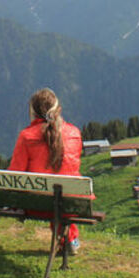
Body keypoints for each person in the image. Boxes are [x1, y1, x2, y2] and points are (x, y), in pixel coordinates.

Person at [8, 88, 83, 254]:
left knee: (50, 197)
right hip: (71, 203)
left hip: (36, 204)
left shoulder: (27, 136)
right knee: (61, 196)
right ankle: (70, 239)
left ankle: (68, 239)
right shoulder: (75, 133)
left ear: (33, 113)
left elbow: (14, 175)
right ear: (58, 110)